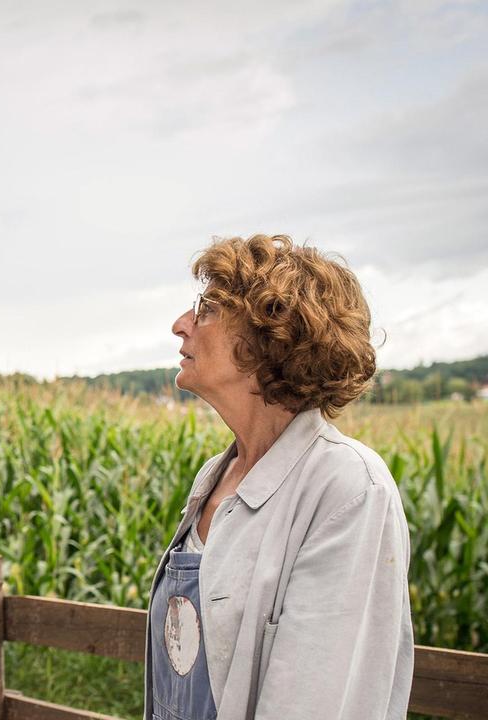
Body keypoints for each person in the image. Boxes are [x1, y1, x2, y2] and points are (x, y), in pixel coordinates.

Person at [145, 235, 413, 719]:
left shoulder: (349, 488)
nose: (180, 325)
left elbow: (313, 700)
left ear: (270, 339)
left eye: (206, 310)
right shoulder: (217, 475)